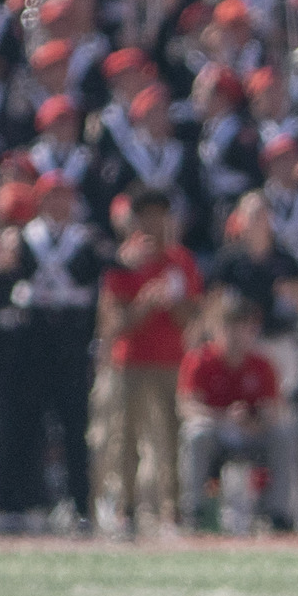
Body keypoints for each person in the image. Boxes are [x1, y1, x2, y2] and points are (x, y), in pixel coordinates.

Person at [96, 188, 200, 534]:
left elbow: (191, 316)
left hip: (172, 360)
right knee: (124, 436)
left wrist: (171, 301)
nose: (153, 223)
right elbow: (112, 324)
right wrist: (144, 304)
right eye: (146, 216)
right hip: (130, 361)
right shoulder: (122, 262)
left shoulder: (180, 261)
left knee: (172, 435)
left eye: (159, 215)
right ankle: (124, 507)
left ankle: (173, 508)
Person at [179, 297, 298, 529]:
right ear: (216, 328)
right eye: (229, 326)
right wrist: (224, 416)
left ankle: (279, 513)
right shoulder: (200, 361)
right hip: (216, 430)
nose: (236, 334)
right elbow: (187, 406)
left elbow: (274, 409)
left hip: (252, 432)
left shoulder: (262, 364)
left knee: (283, 433)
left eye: (243, 327)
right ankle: (194, 511)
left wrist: (257, 420)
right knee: (195, 433)